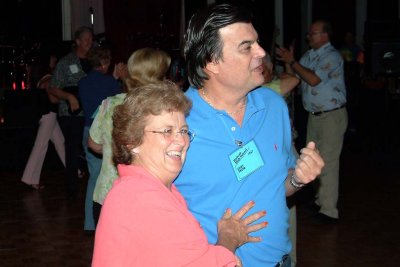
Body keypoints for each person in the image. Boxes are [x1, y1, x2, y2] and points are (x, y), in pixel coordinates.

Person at [175, 4, 324, 267]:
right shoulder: (175, 122)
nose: (262, 52)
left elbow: (282, 186)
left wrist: (299, 179)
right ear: (211, 61)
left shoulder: (273, 106)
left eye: (257, 42)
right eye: (247, 47)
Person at [92, 81, 268, 266]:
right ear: (132, 142)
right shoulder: (142, 198)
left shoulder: (147, 189)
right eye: (167, 131)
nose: (181, 140)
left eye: (183, 131)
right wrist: (229, 239)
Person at [88, 47, 170, 226]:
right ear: (159, 76)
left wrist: (112, 148)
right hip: (145, 199)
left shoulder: (110, 103)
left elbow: (93, 144)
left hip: (107, 196)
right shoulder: (164, 110)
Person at [276, 20, 347, 224]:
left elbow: (314, 80)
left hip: (332, 115)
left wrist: (294, 61)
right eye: (309, 33)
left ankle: (329, 211)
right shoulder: (310, 55)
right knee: (312, 159)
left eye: (313, 33)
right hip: (315, 115)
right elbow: (297, 76)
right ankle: (320, 200)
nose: (309, 36)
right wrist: (289, 61)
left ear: (325, 35)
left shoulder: (332, 56)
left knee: (329, 163)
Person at [78, 46, 125, 231]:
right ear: (104, 63)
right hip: (106, 132)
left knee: (93, 179)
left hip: (88, 131)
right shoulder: (109, 83)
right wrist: (116, 78)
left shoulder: (83, 82)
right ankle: (109, 223)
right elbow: (113, 99)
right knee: (109, 179)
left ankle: (89, 223)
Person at [263, 53, 300, 267]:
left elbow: (293, 79)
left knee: (288, 207)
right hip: (267, 152)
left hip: (285, 150)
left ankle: (289, 259)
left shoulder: (270, 90)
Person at [48, 26, 93, 199]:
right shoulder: (66, 62)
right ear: (78, 41)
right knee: (72, 150)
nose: (89, 42)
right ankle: (72, 189)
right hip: (71, 114)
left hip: (91, 113)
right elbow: (53, 88)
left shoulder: (94, 62)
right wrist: (69, 97)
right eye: (86, 39)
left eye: (91, 38)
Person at [21, 53, 65, 189]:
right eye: (52, 58)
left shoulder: (42, 78)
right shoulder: (48, 79)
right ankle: (29, 178)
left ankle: (74, 170)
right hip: (48, 114)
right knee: (41, 145)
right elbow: (52, 97)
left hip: (47, 115)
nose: (55, 60)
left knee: (60, 142)